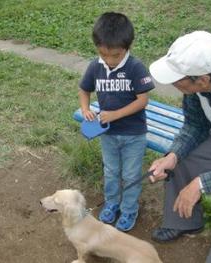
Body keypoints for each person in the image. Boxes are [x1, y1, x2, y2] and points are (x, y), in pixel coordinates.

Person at [148, 30, 211, 262]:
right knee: (184, 157)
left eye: (177, 81)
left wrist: (201, 183)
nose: (174, 84)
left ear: (203, 80)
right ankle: (184, 222)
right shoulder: (203, 73)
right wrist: (173, 156)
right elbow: (195, 125)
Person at [78, 12, 154, 232]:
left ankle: (129, 208)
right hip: (108, 134)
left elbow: (143, 101)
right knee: (110, 171)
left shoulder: (135, 67)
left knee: (130, 174)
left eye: (115, 55)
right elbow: (84, 90)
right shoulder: (96, 66)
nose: (109, 61)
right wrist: (86, 109)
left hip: (133, 134)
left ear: (127, 47)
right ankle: (112, 203)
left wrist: (115, 114)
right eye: (103, 54)